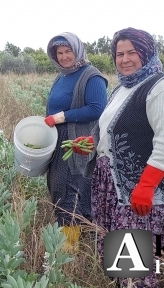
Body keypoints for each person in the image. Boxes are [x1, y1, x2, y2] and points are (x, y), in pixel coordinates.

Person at [73, 27, 164, 287]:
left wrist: (146, 186)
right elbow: (112, 129)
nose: (124, 59)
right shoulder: (123, 88)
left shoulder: (163, 89)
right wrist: (91, 144)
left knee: (135, 266)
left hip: (140, 188)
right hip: (112, 184)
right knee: (120, 258)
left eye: (132, 53)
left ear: (146, 53)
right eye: (119, 53)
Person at [42, 32, 108, 251]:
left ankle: (69, 248)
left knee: (73, 191)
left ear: (78, 50)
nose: (64, 57)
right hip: (59, 140)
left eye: (68, 51)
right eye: (59, 53)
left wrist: (60, 117)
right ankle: (72, 241)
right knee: (58, 188)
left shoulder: (92, 76)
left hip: (77, 142)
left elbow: (97, 108)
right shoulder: (61, 76)